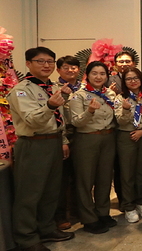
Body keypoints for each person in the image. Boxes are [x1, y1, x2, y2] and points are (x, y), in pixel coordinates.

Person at [8, 47, 75, 251]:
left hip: (53, 142)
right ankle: (26, 237)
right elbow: (32, 121)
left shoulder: (52, 87)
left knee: (51, 190)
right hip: (33, 144)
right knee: (29, 193)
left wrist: (62, 139)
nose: (46, 65)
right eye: (40, 61)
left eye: (50, 61)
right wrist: (49, 106)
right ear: (28, 63)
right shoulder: (21, 90)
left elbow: (60, 120)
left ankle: (46, 228)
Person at [68, 61, 118, 234]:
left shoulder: (110, 94)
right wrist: (89, 112)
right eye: (94, 73)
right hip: (87, 139)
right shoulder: (78, 96)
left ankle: (103, 213)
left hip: (108, 139)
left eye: (102, 74)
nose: (98, 77)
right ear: (87, 75)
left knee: (104, 179)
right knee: (85, 181)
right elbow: (75, 122)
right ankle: (89, 218)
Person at [114, 67, 142, 223]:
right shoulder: (120, 98)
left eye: (135, 78)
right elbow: (120, 120)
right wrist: (126, 110)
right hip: (126, 137)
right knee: (127, 173)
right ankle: (129, 205)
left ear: (141, 80)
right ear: (124, 82)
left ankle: (141, 201)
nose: (132, 81)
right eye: (128, 79)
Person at [53, 55, 81, 231]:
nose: (70, 70)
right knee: (62, 178)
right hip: (64, 136)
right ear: (59, 70)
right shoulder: (53, 89)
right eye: (66, 67)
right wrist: (63, 140)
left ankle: (79, 209)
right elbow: (57, 116)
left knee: (81, 175)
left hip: (83, 135)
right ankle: (61, 214)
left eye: (74, 67)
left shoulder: (84, 88)